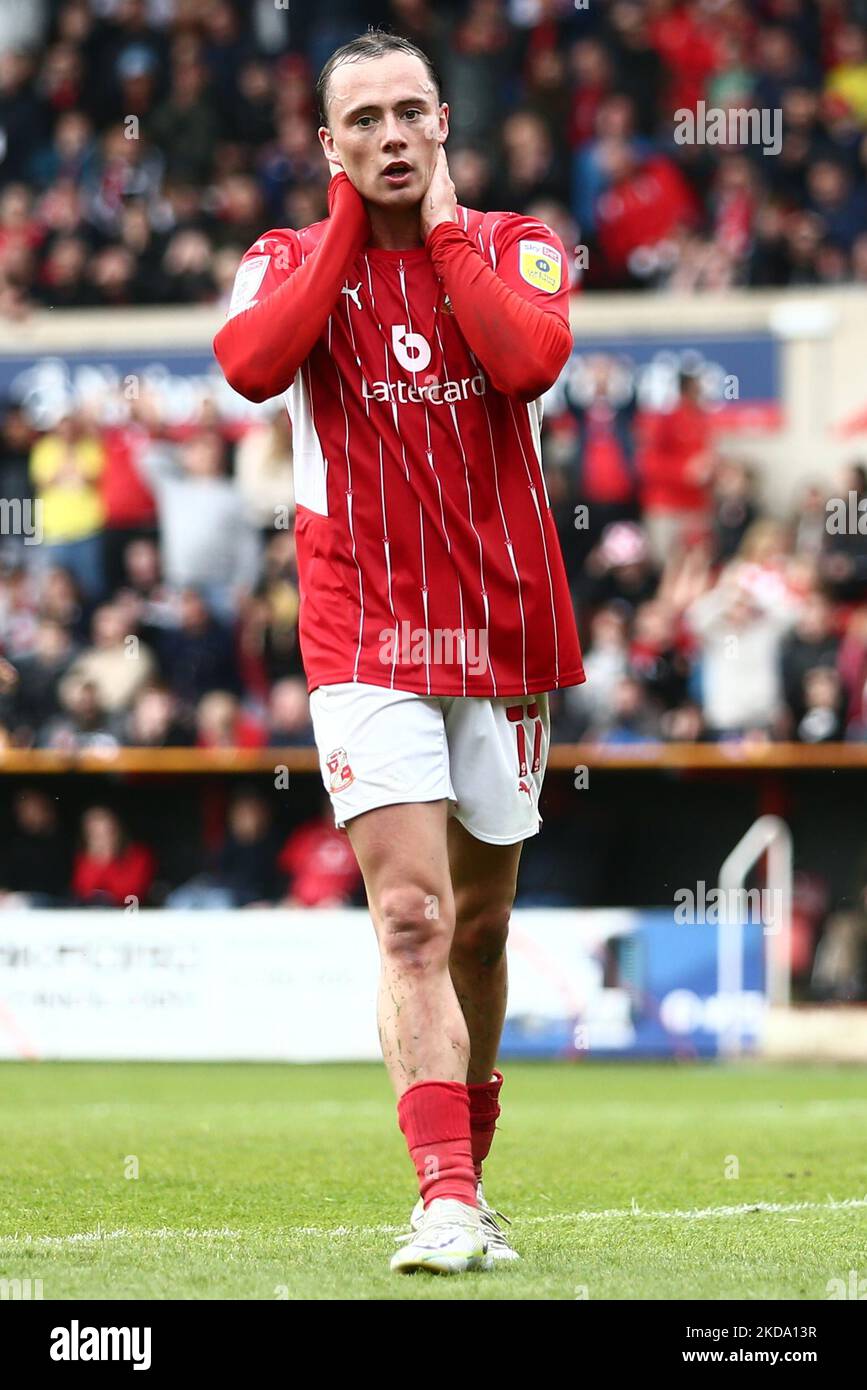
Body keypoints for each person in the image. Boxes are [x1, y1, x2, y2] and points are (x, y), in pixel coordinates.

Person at [214, 29, 584, 1276]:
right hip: (364, 631)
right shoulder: (282, 261)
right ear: (328, 145)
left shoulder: (519, 243)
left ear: (442, 126)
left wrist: (437, 230)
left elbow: (528, 358)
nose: (387, 135)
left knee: (480, 929)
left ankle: (472, 1166)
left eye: (407, 113)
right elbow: (253, 364)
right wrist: (340, 232)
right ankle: (444, 1196)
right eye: (359, 119)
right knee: (413, 920)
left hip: (504, 633)